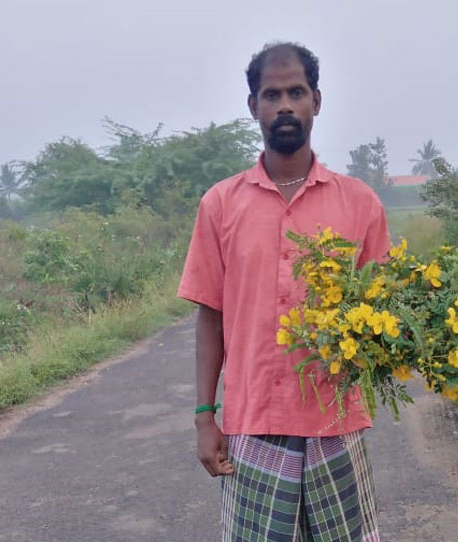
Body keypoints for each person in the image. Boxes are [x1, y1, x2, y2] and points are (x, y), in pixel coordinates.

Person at [177, 42, 390, 541]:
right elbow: (211, 316)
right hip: (253, 424)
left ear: (317, 100)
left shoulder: (359, 204)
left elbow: (384, 312)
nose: (285, 105)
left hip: (335, 421)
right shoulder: (221, 204)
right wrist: (204, 418)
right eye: (272, 94)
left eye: (296, 91)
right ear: (254, 107)